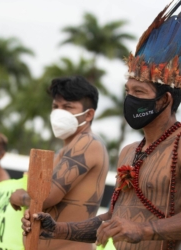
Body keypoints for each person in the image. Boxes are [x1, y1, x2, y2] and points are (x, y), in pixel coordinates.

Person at [21, 1, 181, 250]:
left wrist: (144, 229)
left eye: (139, 91)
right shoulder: (130, 151)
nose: (129, 99)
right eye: (128, 91)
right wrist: (57, 229)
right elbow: (113, 222)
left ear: (165, 100)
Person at [10, 75, 109, 250]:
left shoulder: (87, 143)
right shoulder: (62, 151)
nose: (59, 112)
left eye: (68, 107)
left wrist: (19, 196)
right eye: (55, 107)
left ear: (89, 114)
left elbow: (47, 197)